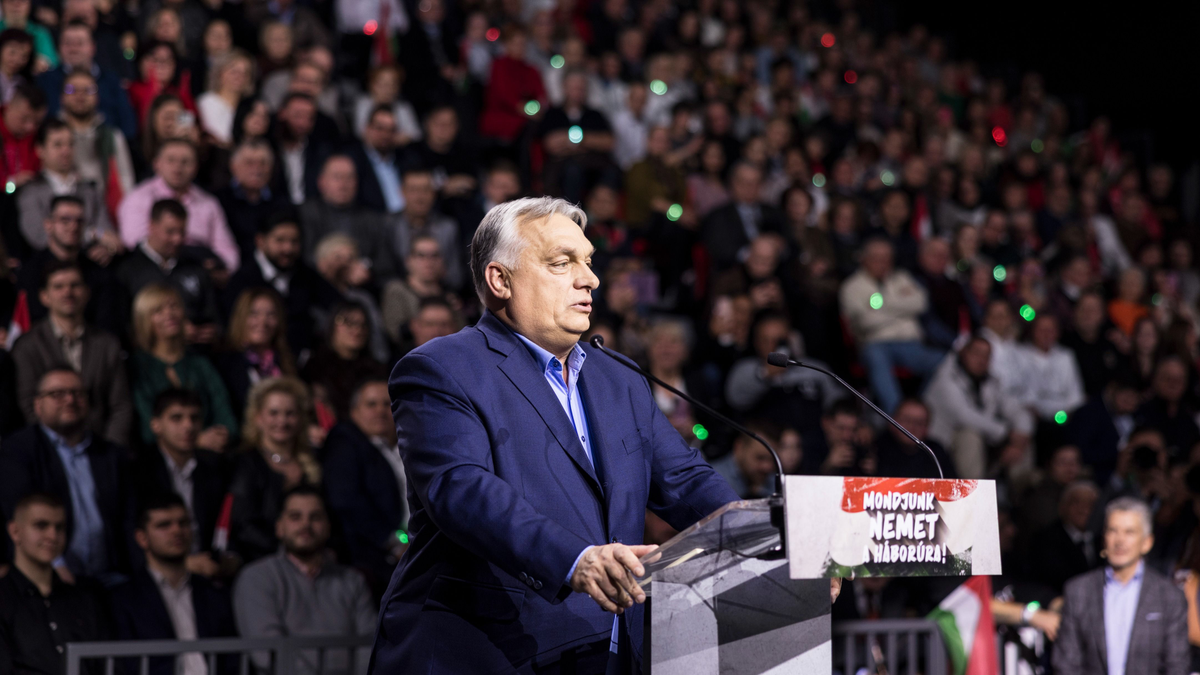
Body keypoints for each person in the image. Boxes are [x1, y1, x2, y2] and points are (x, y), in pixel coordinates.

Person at [371, 197, 747, 674]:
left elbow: (685, 480)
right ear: (500, 280)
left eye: (588, 261)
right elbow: (461, 490)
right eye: (561, 262)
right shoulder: (441, 368)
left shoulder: (620, 378)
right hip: (488, 652)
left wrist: (770, 542)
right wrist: (574, 559)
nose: (590, 279)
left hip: (613, 653)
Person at [0, 368, 131, 583]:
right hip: (49, 577)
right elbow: (17, 512)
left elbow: (128, 519)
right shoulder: (17, 451)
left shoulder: (111, 454)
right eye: (57, 394)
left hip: (113, 577)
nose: (70, 400)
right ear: (38, 405)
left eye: (77, 393)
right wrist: (55, 565)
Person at [233, 486, 375, 675]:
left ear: (328, 527)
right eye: (295, 517)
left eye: (315, 517)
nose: (306, 525)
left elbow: (369, 645)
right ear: (279, 527)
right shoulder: (257, 577)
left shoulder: (352, 581)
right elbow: (268, 652)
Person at [1054, 497, 1189, 674]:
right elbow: (1066, 664)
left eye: (1129, 532)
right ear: (1104, 538)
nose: (1120, 540)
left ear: (1147, 542)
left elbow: (1176, 665)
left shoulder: (1169, 596)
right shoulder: (1078, 591)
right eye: (1113, 531)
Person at [109, 493, 237, 675]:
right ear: (142, 538)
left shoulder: (214, 594)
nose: (177, 531)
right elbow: (125, 665)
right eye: (164, 525)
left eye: (183, 523)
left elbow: (233, 659)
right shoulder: (123, 600)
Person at [12, 259, 132, 445]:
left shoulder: (107, 344)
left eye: (75, 285)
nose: (67, 292)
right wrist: (57, 451)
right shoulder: (27, 346)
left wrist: (109, 451)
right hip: (47, 450)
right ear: (44, 296)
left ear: (87, 293)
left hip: (101, 448)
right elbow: (28, 406)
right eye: (58, 287)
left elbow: (121, 406)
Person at [0, 494, 108, 675]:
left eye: (60, 527)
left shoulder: (85, 599)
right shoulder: (3, 599)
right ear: (15, 531)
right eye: (41, 525)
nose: (52, 535)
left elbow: (109, 663)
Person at [321, 378, 408, 596]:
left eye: (387, 404)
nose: (380, 411)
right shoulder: (345, 441)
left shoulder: (405, 446)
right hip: (373, 557)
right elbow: (346, 500)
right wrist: (395, 542)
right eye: (371, 404)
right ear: (354, 412)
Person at [840, 238, 945, 414]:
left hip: (911, 344)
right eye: (877, 258)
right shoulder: (852, 286)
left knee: (944, 361)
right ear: (864, 259)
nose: (883, 263)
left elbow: (921, 303)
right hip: (875, 344)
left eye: (887, 258)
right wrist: (903, 308)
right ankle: (896, 416)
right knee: (875, 356)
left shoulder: (901, 278)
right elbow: (865, 322)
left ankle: (917, 411)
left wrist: (880, 306)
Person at [128, 283, 237, 449]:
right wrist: (196, 440)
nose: (169, 314)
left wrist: (221, 435)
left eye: (174, 306)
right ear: (144, 319)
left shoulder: (200, 363)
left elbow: (225, 415)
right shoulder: (136, 367)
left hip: (211, 453)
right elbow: (147, 427)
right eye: (158, 311)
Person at [132, 389, 231, 572]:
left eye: (194, 418)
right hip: (154, 570)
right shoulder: (138, 469)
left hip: (207, 568)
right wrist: (184, 564)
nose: (188, 426)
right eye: (176, 418)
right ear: (155, 425)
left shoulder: (215, 467)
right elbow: (130, 536)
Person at [221, 211, 342, 358]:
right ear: (260, 241)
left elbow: (338, 306)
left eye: (294, 241)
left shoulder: (305, 274)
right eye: (280, 240)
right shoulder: (241, 282)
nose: (288, 249)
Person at [227, 377, 320, 562]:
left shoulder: (313, 461)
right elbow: (244, 525)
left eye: (290, 413)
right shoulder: (245, 461)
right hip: (260, 561)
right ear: (258, 418)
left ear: (301, 418)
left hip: (311, 558)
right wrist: (289, 553)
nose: (282, 421)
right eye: (274, 413)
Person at [117, 139, 239, 272]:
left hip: (201, 270)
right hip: (154, 270)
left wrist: (222, 269)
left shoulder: (208, 203)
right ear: (157, 164)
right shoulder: (138, 198)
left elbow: (227, 250)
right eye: (171, 160)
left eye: (185, 162)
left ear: (196, 167)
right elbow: (134, 243)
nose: (178, 168)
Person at [924, 335, 1033, 479]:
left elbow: (1015, 408)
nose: (981, 360)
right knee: (969, 436)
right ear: (964, 353)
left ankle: (1022, 489)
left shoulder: (991, 381)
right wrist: (1006, 434)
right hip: (943, 447)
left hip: (988, 442)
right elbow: (964, 416)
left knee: (1023, 439)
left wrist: (1021, 431)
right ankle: (973, 490)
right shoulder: (945, 379)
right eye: (976, 353)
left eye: (986, 356)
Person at [15, 195, 122, 333]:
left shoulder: (99, 273)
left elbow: (107, 322)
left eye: (79, 221)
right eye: (65, 220)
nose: (73, 226)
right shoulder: (29, 272)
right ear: (48, 224)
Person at [115, 198, 221, 335]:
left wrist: (210, 333)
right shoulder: (127, 268)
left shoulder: (195, 266)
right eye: (170, 232)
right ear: (151, 226)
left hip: (195, 347)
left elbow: (213, 316)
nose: (177, 239)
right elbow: (123, 324)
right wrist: (175, 330)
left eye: (182, 232)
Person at [17, 119, 117, 253]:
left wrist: (105, 248)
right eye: (58, 145)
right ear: (40, 150)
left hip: (91, 261)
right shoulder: (30, 191)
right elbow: (39, 237)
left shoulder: (89, 190)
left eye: (70, 144)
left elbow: (107, 233)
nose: (66, 151)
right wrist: (91, 235)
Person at [298, 154, 400, 280]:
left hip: (362, 285)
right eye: (337, 177)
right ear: (321, 182)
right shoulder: (305, 214)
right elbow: (301, 254)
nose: (343, 184)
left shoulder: (372, 219)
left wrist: (366, 268)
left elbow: (385, 263)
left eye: (349, 178)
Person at [34, 20, 137, 140]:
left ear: (93, 47)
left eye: (80, 43)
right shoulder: (45, 80)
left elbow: (128, 124)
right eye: (67, 43)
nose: (73, 49)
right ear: (59, 47)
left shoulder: (111, 80)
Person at [58, 69, 136, 208]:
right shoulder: (52, 135)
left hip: (103, 209)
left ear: (98, 96)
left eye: (88, 90)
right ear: (62, 96)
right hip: (62, 206)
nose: (80, 95)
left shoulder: (112, 136)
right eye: (72, 90)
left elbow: (126, 180)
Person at [216, 287, 298, 417]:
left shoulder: (286, 361)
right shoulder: (225, 364)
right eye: (254, 314)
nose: (263, 322)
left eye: (271, 315)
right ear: (241, 318)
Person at [300, 301, 387, 420]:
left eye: (363, 324)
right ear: (332, 325)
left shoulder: (376, 370)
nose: (357, 330)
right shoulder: (314, 367)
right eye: (349, 322)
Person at [213, 138, 291, 263]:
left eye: (263, 163)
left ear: (271, 168)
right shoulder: (218, 200)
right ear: (234, 166)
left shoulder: (282, 204)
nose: (257, 169)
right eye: (249, 163)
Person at [701, 161, 786, 272]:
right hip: (734, 272)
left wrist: (780, 246)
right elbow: (718, 248)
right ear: (732, 183)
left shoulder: (773, 212)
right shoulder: (717, 216)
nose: (750, 187)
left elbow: (789, 241)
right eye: (744, 182)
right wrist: (751, 254)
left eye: (756, 182)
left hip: (775, 271)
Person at [379, 234, 459, 348]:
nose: (429, 261)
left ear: (442, 261)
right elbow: (395, 333)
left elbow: (461, 331)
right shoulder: (396, 290)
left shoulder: (449, 294)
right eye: (421, 255)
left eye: (434, 255)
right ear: (408, 261)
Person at [390, 169, 463, 290]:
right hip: (401, 292)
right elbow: (385, 272)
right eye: (413, 190)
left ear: (434, 194)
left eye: (425, 190)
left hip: (440, 292)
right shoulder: (389, 226)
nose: (420, 197)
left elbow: (455, 276)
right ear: (402, 192)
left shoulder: (448, 228)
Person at [1029, 480, 1100, 595]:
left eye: (1091, 504)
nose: (1084, 509)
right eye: (1076, 502)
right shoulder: (1046, 540)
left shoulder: (1102, 538)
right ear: (1063, 506)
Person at [873, 398, 958, 479]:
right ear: (893, 421)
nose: (912, 427)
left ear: (927, 427)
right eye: (906, 420)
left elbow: (953, 484)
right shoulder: (876, 448)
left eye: (919, 423)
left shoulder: (934, 452)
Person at [348, 105, 405, 214]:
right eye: (380, 128)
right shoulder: (353, 161)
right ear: (367, 129)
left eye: (391, 130)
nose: (385, 135)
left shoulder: (404, 159)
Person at [195, 50, 253, 147]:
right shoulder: (205, 102)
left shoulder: (251, 106)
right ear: (220, 73)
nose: (240, 77)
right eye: (234, 71)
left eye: (245, 73)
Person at [710, 421, 781, 498]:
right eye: (760, 458)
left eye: (773, 460)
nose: (767, 467)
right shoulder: (712, 479)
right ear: (739, 447)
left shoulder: (773, 480)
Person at [0, 82, 46, 189]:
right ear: (9, 107)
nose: (30, 127)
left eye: (37, 122)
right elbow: (9, 186)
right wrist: (10, 184)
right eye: (24, 119)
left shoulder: (39, 137)